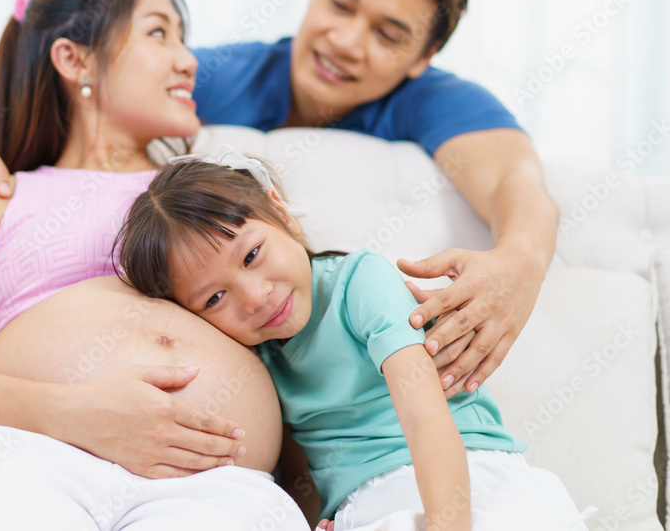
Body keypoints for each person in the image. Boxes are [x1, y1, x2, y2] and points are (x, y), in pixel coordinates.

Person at [0, 0, 559, 402]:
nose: (345, 40)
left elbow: (516, 179)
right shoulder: (219, 78)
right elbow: (26, 87)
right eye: (340, 4)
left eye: (388, 34)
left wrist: (520, 263)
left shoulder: (437, 102)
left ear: (424, 56)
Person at [0, 0, 311, 530]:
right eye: (158, 33)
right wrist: (77, 413)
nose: (188, 61)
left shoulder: (213, 189)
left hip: (213, 481)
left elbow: (298, 343)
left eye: (183, 39)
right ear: (74, 59)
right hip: (25, 456)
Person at [114, 154, 588, 531]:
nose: (255, 297)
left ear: (280, 210)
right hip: (366, 507)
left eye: (252, 254)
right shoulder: (258, 358)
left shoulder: (359, 282)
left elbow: (424, 416)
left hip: (462, 476)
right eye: (215, 298)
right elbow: (301, 471)